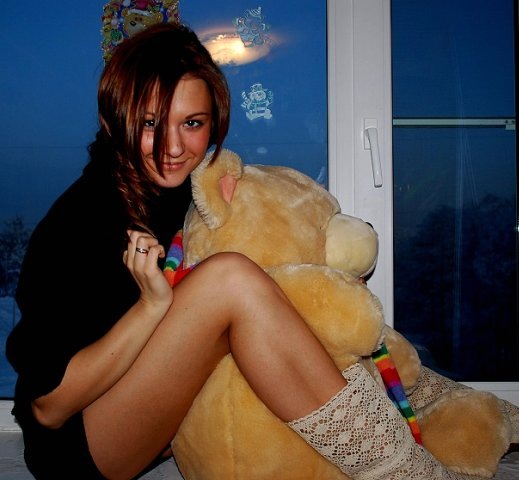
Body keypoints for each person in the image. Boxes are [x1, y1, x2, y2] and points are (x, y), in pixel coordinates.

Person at [6, 22, 472, 480]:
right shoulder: (81, 221)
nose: (173, 146)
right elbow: (49, 408)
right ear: (117, 120)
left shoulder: (185, 195)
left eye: (192, 123)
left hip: (157, 423)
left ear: (214, 123)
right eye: (150, 123)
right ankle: (404, 474)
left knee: (279, 275)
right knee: (229, 278)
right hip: (80, 449)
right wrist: (150, 307)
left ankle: (422, 403)